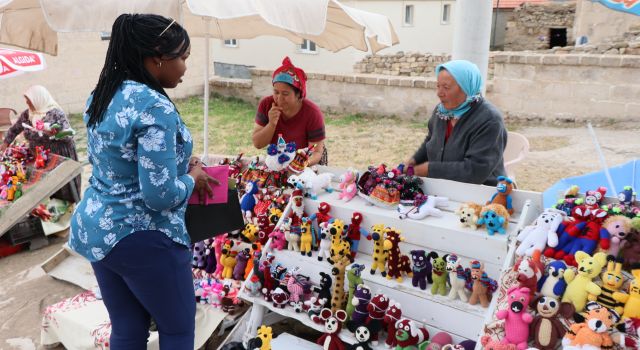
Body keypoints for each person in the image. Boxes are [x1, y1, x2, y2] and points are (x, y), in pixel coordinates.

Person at [69, 14, 217, 349]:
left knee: (127, 329)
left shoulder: (103, 94)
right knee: (177, 328)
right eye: (183, 58)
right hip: (141, 235)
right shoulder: (154, 107)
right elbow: (161, 196)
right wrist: (192, 178)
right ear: (157, 58)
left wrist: (179, 161)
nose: (185, 68)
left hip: (99, 229)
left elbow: (119, 160)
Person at [405, 60, 507, 186]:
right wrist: (414, 160)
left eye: (446, 87)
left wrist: (429, 169)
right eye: (438, 86)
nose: (439, 93)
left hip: (482, 194)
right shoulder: (441, 111)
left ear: (466, 88)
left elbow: (475, 171)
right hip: (443, 188)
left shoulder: (489, 120)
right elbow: (431, 141)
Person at [1, 85, 81, 202]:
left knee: (65, 188)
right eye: (27, 100)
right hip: (42, 158)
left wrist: (52, 133)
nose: (27, 103)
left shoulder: (55, 114)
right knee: (49, 189)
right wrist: (6, 143)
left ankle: (71, 210)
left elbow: (68, 136)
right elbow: (15, 129)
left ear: (38, 99)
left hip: (60, 155)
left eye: (29, 100)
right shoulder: (28, 114)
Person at [252, 56, 328, 165]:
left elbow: (316, 151)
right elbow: (257, 143)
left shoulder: (312, 113)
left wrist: (300, 165)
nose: (279, 98)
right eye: (276, 92)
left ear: (299, 95)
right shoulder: (266, 105)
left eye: (285, 94)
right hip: (278, 161)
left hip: (306, 163)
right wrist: (272, 124)